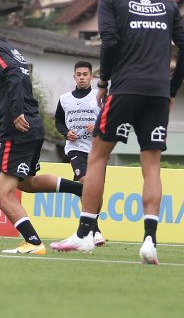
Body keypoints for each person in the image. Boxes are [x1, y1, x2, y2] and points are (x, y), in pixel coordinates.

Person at [51, 0, 184, 264]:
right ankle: (149, 242)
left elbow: (110, 42)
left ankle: (86, 234)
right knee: (152, 166)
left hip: (126, 88)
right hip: (157, 92)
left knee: (98, 155)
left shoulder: (110, 1)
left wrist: (103, 84)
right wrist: (172, 89)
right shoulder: (168, 5)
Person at [0, 9, 84, 256]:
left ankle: (33, 242)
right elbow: (14, 82)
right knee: (26, 183)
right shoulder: (8, 48)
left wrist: (16, 114)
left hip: (20, 127)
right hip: (28, 125)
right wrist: (9, 121)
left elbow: (15, 76)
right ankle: (81, 190)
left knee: (1, 192)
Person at [53, 60, 105, 246]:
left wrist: (97, 125)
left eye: (85, 74)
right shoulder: (64, 98)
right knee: (85, 184)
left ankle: (91, 228)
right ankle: (95, 230)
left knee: (97, 192)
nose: (82, 77)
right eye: (79, 74)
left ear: (91, 76)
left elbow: (110, 117)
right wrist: (66, 132)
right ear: (74, 76)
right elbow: (58, 121)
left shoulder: (99, 96)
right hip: (76, 150)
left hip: (98, 150)